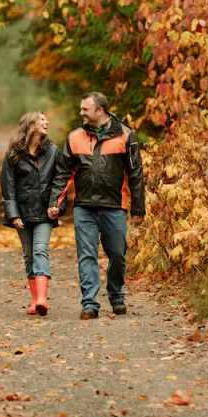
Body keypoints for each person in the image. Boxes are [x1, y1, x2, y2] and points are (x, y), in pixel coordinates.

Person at [47, 92, 145, 320]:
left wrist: (138, 208)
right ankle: (89, 304)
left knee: (118, 254)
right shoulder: (74, 138)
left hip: (115, 206)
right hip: (84, 207)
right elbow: (63, 174)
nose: (81, 113)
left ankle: (116, 295)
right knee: (86, 255)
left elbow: (135, 174)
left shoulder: (125, 135)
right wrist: (56, 204)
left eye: (85, 109)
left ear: (99, 111)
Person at [0, 111, 61, 316]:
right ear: (31, 124)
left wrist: (57, 206)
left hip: (45, 212)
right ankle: (35, 302)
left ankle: (43, 299)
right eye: (42, 119)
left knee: (40, 250)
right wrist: (13, 215)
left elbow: (59, 182)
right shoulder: (13, 153)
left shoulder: (53, 151)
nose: (47, 122)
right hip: (23, 213)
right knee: (28, 255)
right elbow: (7, 187)